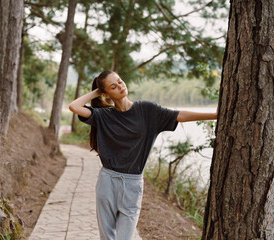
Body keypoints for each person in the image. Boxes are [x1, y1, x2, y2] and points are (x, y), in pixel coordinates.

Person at [68, 70, 218, 240]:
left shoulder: (147, 111)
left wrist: (214, 115)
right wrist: (97, 91)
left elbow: (179, 115)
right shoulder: (104, 116)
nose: (120, 86)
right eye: (113, 86)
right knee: (107, 237)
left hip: (132, 183)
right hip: (107, 181)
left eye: (120, 81)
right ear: (106, 93)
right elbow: (74, 107)